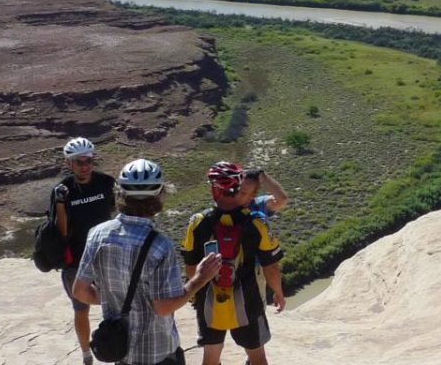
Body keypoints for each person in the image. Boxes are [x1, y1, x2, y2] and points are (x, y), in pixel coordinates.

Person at [73, 159, 223, 365]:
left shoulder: (97, 235)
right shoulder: (159, 245)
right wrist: (199, 279)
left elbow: (80, 291)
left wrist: (112, 296)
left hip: (120, 349)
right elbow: (163, 308)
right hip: (157, 352)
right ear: (159, 196)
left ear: (121, 194)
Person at [181, 162, 287, 365]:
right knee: (257, 357)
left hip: (209, 300)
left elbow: (191, 265)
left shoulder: (197, 222)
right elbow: (270, 267)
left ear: (215, 189)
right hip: (248, 300)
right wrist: (278, 292)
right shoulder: (257, 222)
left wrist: (194, 293)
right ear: (238, 188)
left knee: (210, 357)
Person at [53, 137, 116, 365]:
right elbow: (60, 230)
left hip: (105, 256)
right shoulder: (63, 190)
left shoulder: (106, 183)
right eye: (79, 161)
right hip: (76, 259)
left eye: (88, 160)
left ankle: (117, 348)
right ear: (68, 163)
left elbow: (113, 214)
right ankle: (86, 355)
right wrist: (60, 204)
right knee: (81, 309)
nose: (84, 165)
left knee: (116, 304)